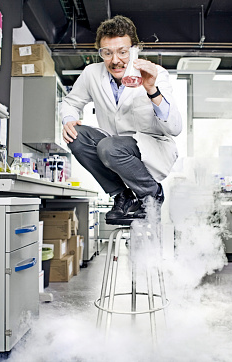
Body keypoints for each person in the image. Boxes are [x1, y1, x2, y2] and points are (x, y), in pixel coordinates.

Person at [61, 15, 182, 222]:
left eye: (122, 52)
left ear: (134, 49)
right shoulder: (92, 73)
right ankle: (123, 196)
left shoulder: (155, 74)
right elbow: (70, 102)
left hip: (150, 148)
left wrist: (152, 89)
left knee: (109, 147)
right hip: (111, 147)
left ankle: (151, 193)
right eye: (107, 53)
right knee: (77, 136)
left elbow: (175, 127)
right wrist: (69, 120)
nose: (115, 60)